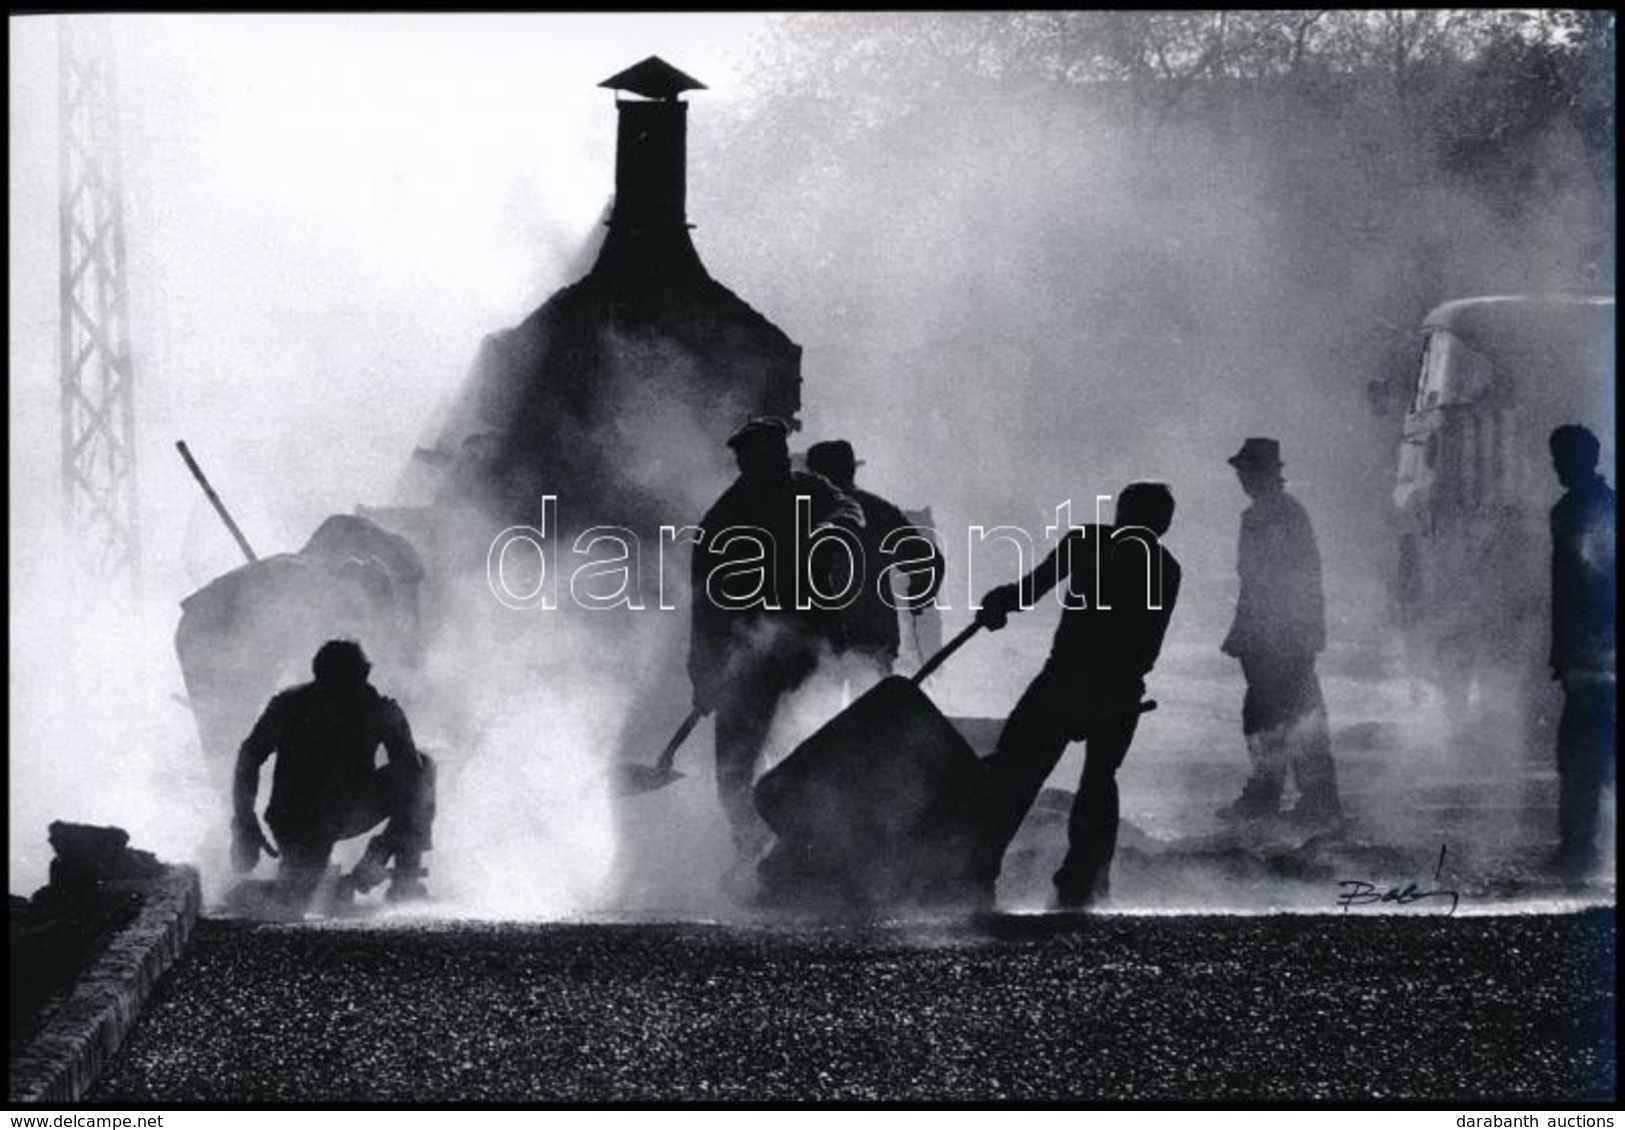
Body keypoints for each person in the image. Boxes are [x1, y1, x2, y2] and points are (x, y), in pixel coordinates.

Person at [971, 482, 1181, 908]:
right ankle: (1082, 887)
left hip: (1064, 679)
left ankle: (974, 873)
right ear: (1163, 524)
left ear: (1121, 513)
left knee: (1015, 773)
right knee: (1099, 781)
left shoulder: (1088, 541)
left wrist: (999, 603)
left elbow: (1031, 590)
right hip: (1120, 688)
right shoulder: (1166, 568)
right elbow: (1146, 643)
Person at [689, 418, 865, 871]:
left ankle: (808, 857)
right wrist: (703, 673)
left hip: (810, 648)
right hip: (748, 657)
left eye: (779, 455)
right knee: (733, 772)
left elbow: (850, 511)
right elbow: (705, 606)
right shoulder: (723, 520)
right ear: (745, 463)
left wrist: (831, 531)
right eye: (763, 457)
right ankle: (756, 858)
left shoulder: (811, 490)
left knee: (806, 753)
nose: (777, 464)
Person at [231, 639, 436, 912]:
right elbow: (250, 757)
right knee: (294, 900)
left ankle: (403, 883)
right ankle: (263, 893)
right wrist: (246, 824)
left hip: (348, 809)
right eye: (340, 684)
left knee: (424, 769)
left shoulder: (377, 710)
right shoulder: (291, 705)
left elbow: (412, 776)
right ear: (321, 679)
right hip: (299, 820)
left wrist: (384, 851)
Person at [1215, 438, 1344, 826]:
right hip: (1283, 633)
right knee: (1296, 715)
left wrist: (1259, 633)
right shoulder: (1280, 512)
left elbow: (1270, 581)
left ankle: (1274, 797)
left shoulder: (1274, 515)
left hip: (1278, 635)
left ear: (1260, 474)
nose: (1241, 478)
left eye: (1245, 471)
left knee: (1271, 716)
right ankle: (1311, 799)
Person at [804, 439, 945, 690]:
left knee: (815, 716)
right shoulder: (880, 512)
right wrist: (919, 597)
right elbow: (929, 561)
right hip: (873, 634)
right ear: (851, 470)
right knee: (869, 716)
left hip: (819, 637)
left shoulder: (802, 513)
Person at [1546, 424, 1616, 879]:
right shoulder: (1598, 506)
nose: (1555, 466)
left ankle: (1579, 846)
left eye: (1559, 457)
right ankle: (1581, 844)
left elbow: (1580, 587)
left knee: (1579, 753)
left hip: (1591, 652)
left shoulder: (1573, 510)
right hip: (1594, 650)